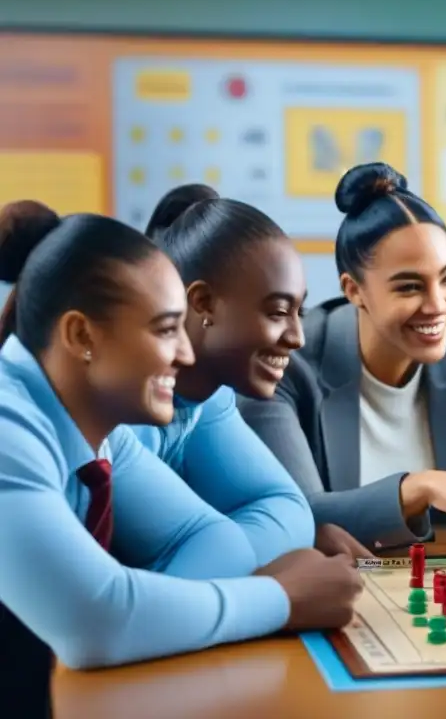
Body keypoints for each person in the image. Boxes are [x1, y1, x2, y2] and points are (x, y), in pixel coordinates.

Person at [0, 201, 361, 716]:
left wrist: (149, 616)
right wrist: (281, 599)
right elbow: (96, 622)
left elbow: (212, 538)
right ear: (82, 336)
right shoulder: (7, 426)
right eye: (166, 329)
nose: (188, 354)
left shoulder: (97, 431)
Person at [240, 164, 446, 549]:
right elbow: (297, 514)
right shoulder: (286, 365)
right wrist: (420, 486)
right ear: (354, 290)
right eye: (410, 287)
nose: (438, 305)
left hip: (425, 585)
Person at [134, 186, 347, 566]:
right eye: (278, 312)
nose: (297, 338)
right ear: (203, 302)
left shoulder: (209, 398)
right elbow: (168, 575)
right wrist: (272, 578)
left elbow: (290, 511)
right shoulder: (125, 410)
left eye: (300, 310)